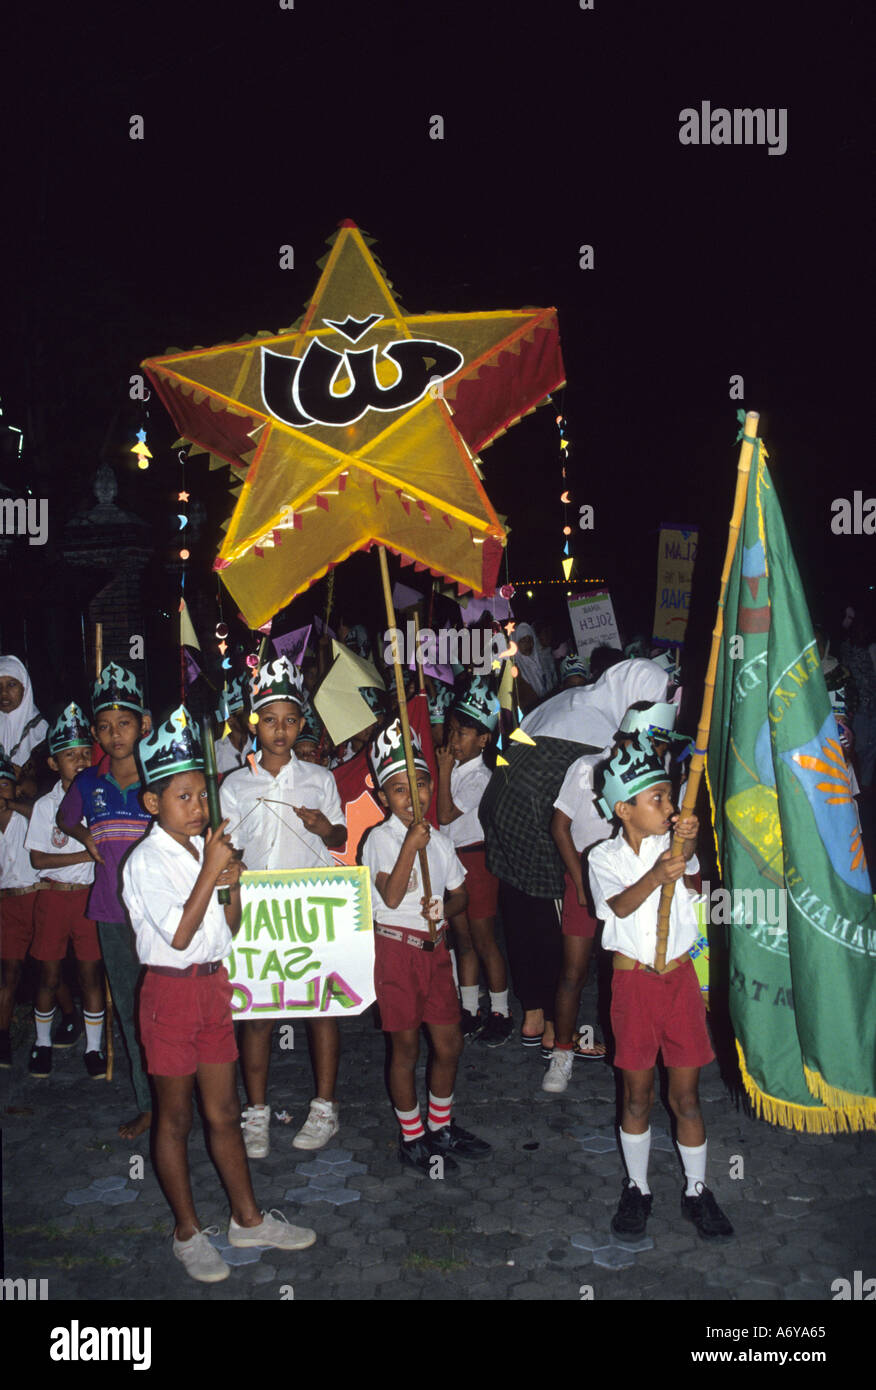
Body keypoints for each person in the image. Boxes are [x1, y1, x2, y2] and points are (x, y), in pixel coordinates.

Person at [122, 705, 317, 1283]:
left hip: (212, 989)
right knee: (175, 1117)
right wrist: (213, 871)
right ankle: (186, 1231)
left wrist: (231, 888)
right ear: (154, 803)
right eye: (183, 797)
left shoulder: (203, 851)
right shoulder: (146, 862)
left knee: (225, 1110)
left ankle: (248, 1218)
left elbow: (222, 932)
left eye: (202, 796)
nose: (199, 807)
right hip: (169, 995)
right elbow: (179, 936)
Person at [481, 658, 669, 1052]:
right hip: (536, 818)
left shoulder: (576, 698)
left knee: (519, 910)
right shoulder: (604, 732)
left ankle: (534, 1015)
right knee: (553, 924)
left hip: (500, 803)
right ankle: (556, 1028)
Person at [588, 737, 733, 1243]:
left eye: (672, 797)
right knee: (636, 1094)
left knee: (687, 1096)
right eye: (659, 799)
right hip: (633, 984)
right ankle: (637, 1186)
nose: (670, 808)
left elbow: (687, 855)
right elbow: (619, 907)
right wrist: (655, 876)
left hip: (679, 981)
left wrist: (687, 835)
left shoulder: (671, 844)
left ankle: (698, 1189)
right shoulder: (601, 855)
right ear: (624, 809)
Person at [221, 655, 346, 1155]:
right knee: (257, 1013)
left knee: (321, 1007)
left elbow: (339, 837)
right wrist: (234, 871)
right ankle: (256, 1112)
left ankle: (324, 1107)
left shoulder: (320, 779)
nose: (280, 730)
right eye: (270, 719)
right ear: (256, 722)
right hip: (258, 912)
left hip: (310, 908)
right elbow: (226, 848)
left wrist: (324, 827)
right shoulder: (235, 784)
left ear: (301, 723)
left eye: (290, 720)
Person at [361, 720, 491, 1174]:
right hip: (397, 951)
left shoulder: (439, 840)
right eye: (398, 790)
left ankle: (441, 1124)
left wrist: (445, 906)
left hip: (437, 951)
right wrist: (408, 845)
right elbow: (392, 897)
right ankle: (412, 1136)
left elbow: (463, 895)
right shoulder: (379, 840)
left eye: (418, 784)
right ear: (384, 798)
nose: (411, 796)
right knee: (406, 1049)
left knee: (449, 1041)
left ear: (431, 786)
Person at [542, 698, 683, 1092]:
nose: (659, 755)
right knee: (574, 971)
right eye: (655, 746)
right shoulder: (587, 768)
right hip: (587, 881)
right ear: (630, 737)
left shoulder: (660, 771)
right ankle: (563, 1054)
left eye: (663, 750)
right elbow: (560, 827)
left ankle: (635, 1052)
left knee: (631, 970)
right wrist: (582, 883)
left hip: (641, 884)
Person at [57, 663, 153, 1138]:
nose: (115, 735)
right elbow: (64, 817)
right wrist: (84, 838)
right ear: (95, 732)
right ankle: (149, 1102)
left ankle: (187, 1094)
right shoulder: (87, 784)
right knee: (131, 1012)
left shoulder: (161, 779)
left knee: (168, 1008)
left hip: (161, 914)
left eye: (125, 724)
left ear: (144, 725)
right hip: (113, 916)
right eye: (105, 727)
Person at [25, 703, 106, 1078]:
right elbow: (38, 860)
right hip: (54, 895)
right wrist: (85, 849)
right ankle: (42, 1044)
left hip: (89, 897)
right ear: (54, 764)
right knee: (49, 975)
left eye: (85, 754)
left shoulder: (98, 795)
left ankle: (93, 1048)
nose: (80, 761)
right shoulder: (45, 806)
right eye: (70, 756)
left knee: (91, 975)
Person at [435, 677, 512, 1045]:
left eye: (463, 733)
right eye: (451, 730)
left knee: (483, 939)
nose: (454, 740)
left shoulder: (479, 775)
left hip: (475, 860)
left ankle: (501, 1009)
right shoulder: (452, 770)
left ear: (483, 739)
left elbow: (446, 814)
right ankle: (468, 1008)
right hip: (452, 862)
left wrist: (445, 771)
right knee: (461, 937)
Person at [0, 744, 40, 1068]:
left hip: (35, 897)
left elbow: (41, 814)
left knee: (45, 968)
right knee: (9, 974)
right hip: (8, 903)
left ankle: (66, 1017)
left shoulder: (26, 814)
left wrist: (12, 803)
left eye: (3, 784)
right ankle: (3, 1040)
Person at [0, 655, 49, 794]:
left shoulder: (41, 732)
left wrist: (22, 777)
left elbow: (48, 785)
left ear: (24, 687)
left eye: (11, 684)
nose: (3, 693)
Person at [213, 677, 254, 776]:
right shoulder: (215, 752)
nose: (253, 717)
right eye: (246, 713)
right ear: (230, 720)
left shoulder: (260, 746)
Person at [511, 622, 548, 712]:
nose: (528, 644)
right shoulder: (515, 670)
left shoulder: (541, 663)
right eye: (523, 640)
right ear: (516, 643)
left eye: (530, 640)